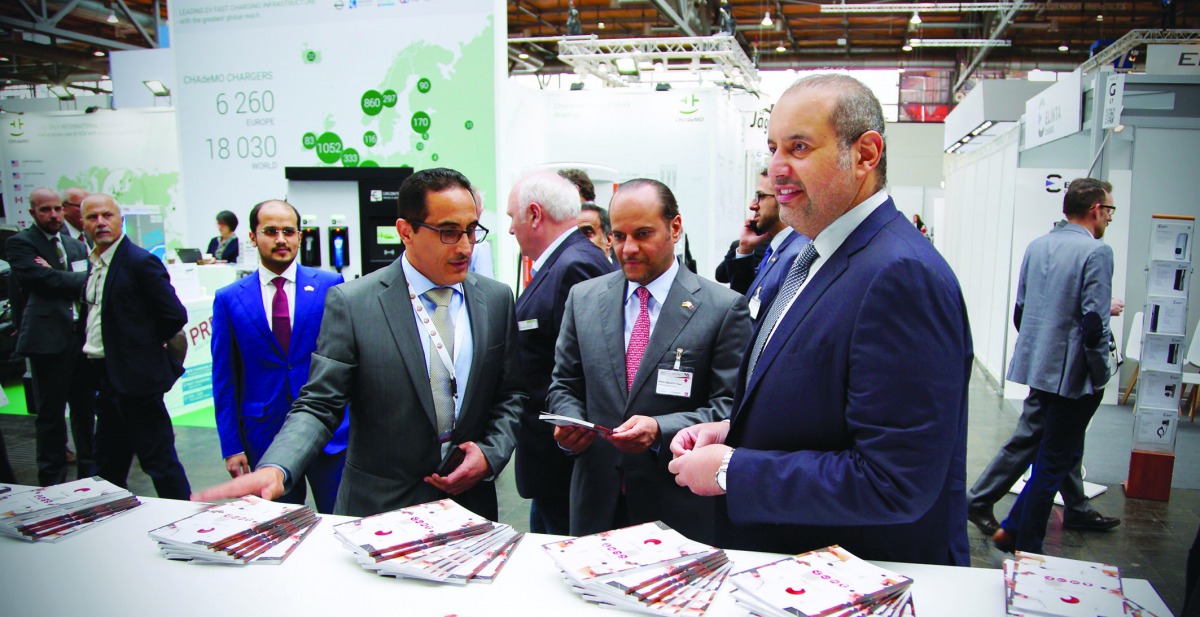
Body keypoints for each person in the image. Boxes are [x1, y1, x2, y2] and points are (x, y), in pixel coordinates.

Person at [667, 74, 973, 566]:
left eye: (800, 147)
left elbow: (895, 481)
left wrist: (733, 470)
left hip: (857, 576)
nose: (775, 170)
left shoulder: (901, 276)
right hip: (797, 569)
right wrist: (735, 433)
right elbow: (820, 401)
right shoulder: (806, 256)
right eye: (772, 148)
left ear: (866, 154)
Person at [193, 168, 525, 520]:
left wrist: (490, 453)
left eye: (471, 230)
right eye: (448, 232)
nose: (464, 247)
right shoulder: (354, 303)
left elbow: (511, 394)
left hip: (468, 506)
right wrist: (277, 466)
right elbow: (320, 403)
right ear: (405, 231)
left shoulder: (495, 299)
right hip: (381, 508)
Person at [548, 178, 751, 544]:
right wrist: (569, 429)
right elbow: (564, 383)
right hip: (596, 501)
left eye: (642, 234)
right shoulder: (584, 299)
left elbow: (730, 408)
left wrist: (661, 428)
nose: (628, 249)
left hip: (676, 504)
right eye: (618, 236)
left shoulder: (721, 308)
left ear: (675, 228)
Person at [992, 178, 1119, 554]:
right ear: (1096, 209)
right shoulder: (1098, 252)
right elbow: (1094, 325)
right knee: (1053, 461)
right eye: (1109, 210)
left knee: (1050, 454)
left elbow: (1021, 311)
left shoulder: (1038, 245)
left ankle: (1013, 528)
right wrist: (1100, 375)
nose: (1109, 218)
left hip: (1038, 367)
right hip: (1073, 375)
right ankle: (1027, 545)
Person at [210, 199, 348, 514]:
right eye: (270, 231)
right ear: (252, 236)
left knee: (340, 517)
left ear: (300, 236)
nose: (281, 239)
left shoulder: (330, 286)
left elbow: (347, 360)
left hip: (330, 435)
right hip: (265, 436)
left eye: (288, 231)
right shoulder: (230, 299)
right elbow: (224, 377)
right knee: (278, 526)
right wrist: (232, 446)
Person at [507, 171, 616, 535]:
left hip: (566, 458)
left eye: (512, 218)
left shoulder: (576, 265)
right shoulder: (560, 264)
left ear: (535, 215)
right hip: (553, 459)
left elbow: (592, 367)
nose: (510, 229)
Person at [81, 194, 191, 499]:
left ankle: (184, 519)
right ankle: (106, 516)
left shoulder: (139, 261)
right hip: (107, 377)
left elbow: (173, 315)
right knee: (107, 463)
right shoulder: (96, 264)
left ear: (120, 220)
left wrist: (142, 353)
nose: (100, 222)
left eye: (107, 215)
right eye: (92, 217)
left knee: (158, 461)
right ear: (83, 224)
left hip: (136, 381)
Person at [6, 187, 94, 485]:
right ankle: (52, 479)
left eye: (57, 209)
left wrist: (59, 276)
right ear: (33, 213)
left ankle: (90, 476)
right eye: (46, 210)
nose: (54, 215)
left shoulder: (76, 246)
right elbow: (37, 279)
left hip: (80, 340)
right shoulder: (20, 243)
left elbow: (89, 283)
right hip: (47, 341)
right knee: (50, 415)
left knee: (85, 412)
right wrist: (70, 279)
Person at [736, 169, 809, 320]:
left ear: (784, 198)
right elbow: (743, 305)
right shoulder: (777, 249)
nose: (752, 205)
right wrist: (745, 248)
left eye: (760, 196)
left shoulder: (795, 256)